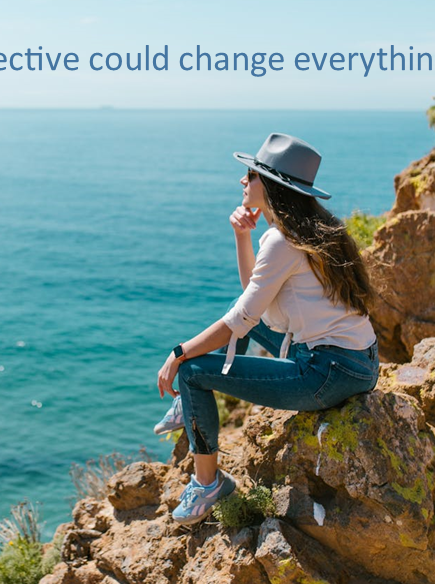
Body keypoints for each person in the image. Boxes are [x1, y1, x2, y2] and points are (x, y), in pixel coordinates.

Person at [155, 133, 380, 526]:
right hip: (358, 364)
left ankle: (209, 484)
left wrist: (178, 353)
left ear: (272, 185)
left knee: (192, 372)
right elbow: (250, 303)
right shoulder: (313, 228)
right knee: (235, 319)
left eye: (251, 175)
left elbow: (241, 320)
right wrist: (242, 237)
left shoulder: (282, 240)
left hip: (326, 373)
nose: (243, 181)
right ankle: (190, 407)